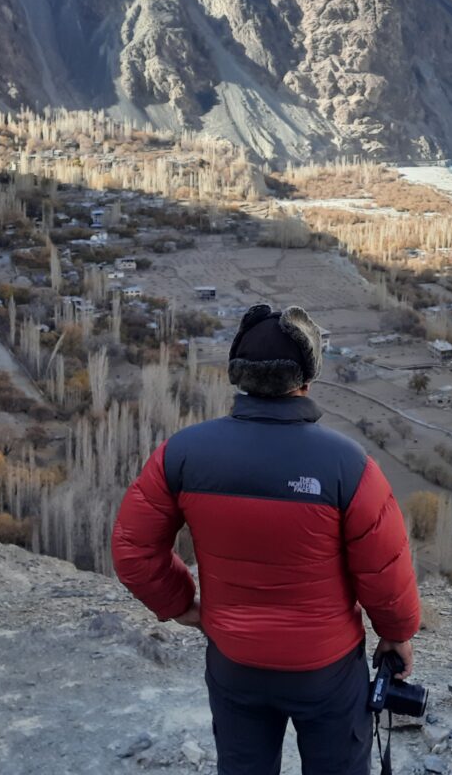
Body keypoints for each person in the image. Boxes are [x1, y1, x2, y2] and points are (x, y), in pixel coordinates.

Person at [113, 304, 421, 775]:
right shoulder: (348, 464)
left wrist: (183, 607)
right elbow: (383, 570)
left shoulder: (182, 453)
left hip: (234, 663)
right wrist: (396, 635)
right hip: (327, 669)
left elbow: (133, 550)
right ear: (305, 378)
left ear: (240, 376)